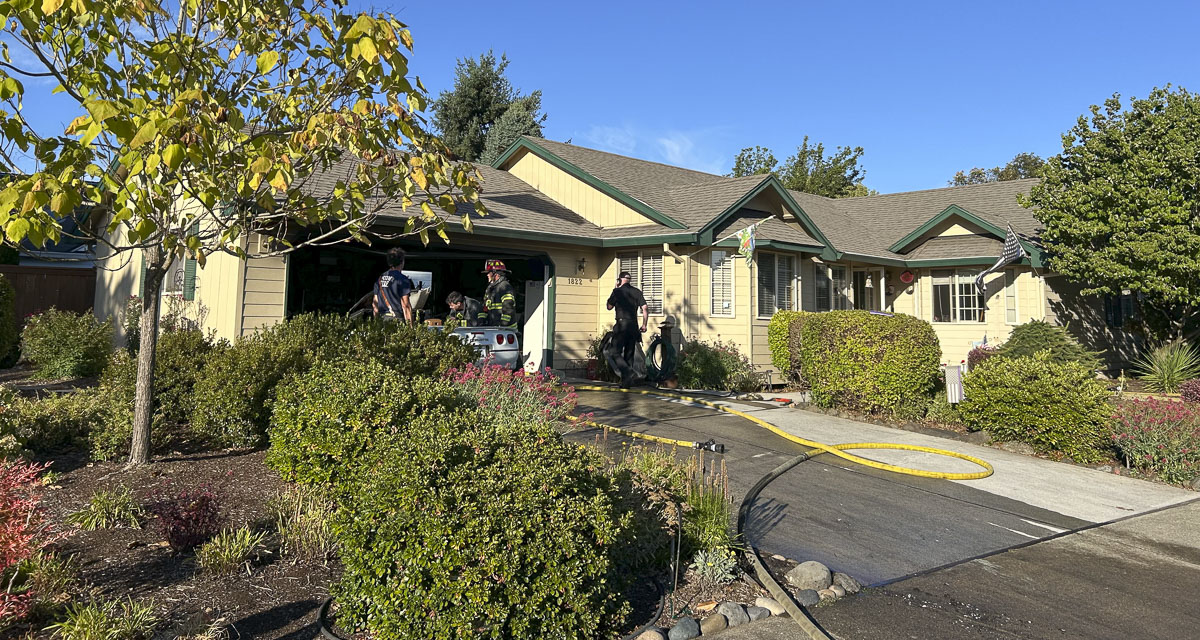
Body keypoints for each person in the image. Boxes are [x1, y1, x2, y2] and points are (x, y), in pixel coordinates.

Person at [606, 270, 648, 387]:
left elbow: (609, 306)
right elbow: (645, 308)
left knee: (613, 352)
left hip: (621, 325)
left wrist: (615, 289)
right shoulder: (637, 292)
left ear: (620, 280)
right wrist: (644, 324)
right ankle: (626, 383)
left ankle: (628, 372)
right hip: (633, 326)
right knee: (629, 355)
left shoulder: (617, 292)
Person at [372, 247, 414, 323]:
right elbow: (406, 305)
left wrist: (376, 323)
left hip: (382, 319)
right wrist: (410, 327)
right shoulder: (402, 279)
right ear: (402, 262)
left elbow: (375, 304)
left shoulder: (380, 279)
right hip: (396, 319)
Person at [482, 259, 518, 328]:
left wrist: (503, 325)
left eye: (489, 272)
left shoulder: (505, 287)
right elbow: (485, 306)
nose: (487, 275)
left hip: (507, 329)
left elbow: (508, 308)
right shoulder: (490, 288)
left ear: (496, 274)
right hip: (494, 326)